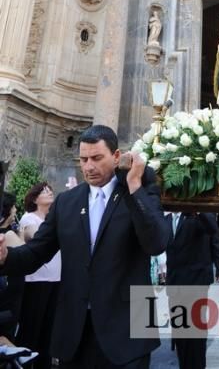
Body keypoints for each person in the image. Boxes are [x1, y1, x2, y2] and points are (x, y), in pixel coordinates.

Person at [0, 124, 170, 369]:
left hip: (128, 331)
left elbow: (157, 242)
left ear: (116, 156)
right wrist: (6, 257)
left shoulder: (138, 191)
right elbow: (36, 252)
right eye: (83, 159)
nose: (89, 167)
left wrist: (134, 186)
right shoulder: (67, 202)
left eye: (97, 158)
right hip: (74, 333)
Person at [165, 212, 219, 369]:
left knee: (196, 330)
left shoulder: (198, 215)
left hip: (196, 281)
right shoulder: (167, 217)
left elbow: (213, 233)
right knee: (179, 330)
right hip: (174, 282)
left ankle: (197, 365)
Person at [15, 183, 61, 369]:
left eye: (50, 190)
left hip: (56, 279)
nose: (49, 192)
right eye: (44, 191)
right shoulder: (29, 219)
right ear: (35, 199)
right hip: (36, 280)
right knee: (32, 328)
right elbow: (37, 238)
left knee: (48, 330)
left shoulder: (53, 218)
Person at [0, 193, 23, 341]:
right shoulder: (7, 234)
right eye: (14, 206)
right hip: (11, 291)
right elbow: (25, 253)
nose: (15, 210)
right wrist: (20, 231)